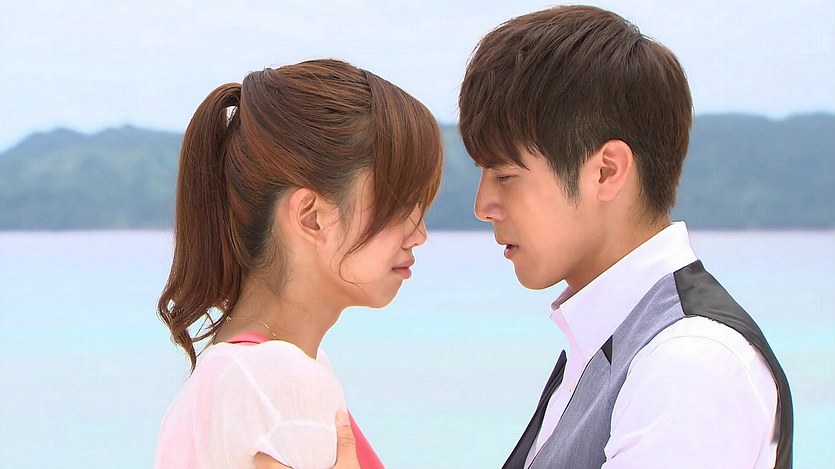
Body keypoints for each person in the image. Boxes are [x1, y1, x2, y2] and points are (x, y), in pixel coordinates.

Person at [456, 5, 793, 469]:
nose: (483, 206)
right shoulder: (616, 341)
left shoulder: (689, 362)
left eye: (505, 175)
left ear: (606, 171)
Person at [154, 58, 443, 469]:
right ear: (311, 216)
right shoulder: (278, 382)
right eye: (399, 202)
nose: (419, 233)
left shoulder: (226, 378)